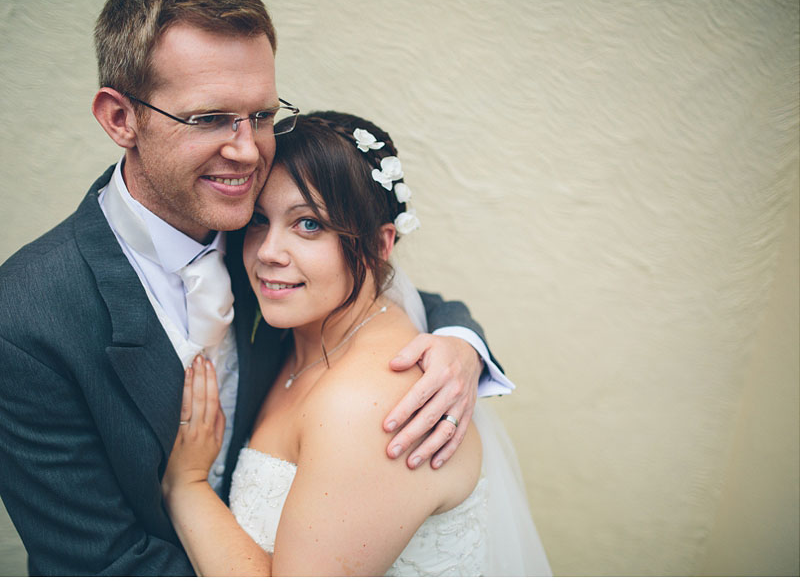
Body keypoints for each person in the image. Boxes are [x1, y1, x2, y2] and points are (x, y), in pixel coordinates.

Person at [0, 0, 511, 575]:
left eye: (263, 115)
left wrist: (459, 347)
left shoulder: (255, 222)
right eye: (210, 118)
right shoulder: (20, 325)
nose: (248, 151)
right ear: (121, 118)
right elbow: (101, 563)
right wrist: (188, 489)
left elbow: (373, 283)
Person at [161, 111, 550, 576]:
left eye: (309, 225)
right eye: (260, 220)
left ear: (381, 244)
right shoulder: (301, 327)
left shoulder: (376, 403)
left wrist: (186, 486)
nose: (268, 252)